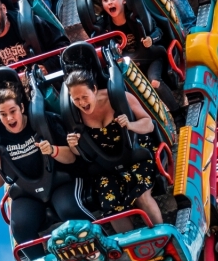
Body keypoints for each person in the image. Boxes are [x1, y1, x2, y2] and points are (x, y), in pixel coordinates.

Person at [0, 86, 91, 251]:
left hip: (60, 180)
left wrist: (52, 150)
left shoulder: (43, 121)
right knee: (20, 227)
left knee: (68, 209)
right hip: (27, 192)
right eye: (3, 114)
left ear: (21, 107)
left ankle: (98, 241)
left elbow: (72, 158)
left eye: (13, 111)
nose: (10, 118)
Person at [64, 69, 163, 230]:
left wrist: (130, 125)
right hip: (107, 166)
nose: (82, 103)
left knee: (141, 195)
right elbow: (78, 154)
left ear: (94, 89)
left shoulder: (118, 98)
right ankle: (133, 249)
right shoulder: (74, 115)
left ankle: (162, 235)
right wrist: (73, 144)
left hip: (135, 154)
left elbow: (149, 124)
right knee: (110, 207)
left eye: (84, 97)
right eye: (76, 99)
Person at [99, 0, 184, 115]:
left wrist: (151, 39)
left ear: (124, 0)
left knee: (154, 82)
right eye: (105, 0)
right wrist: (114, 52)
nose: (110, 2)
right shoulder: (106, 28)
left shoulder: (137, 17)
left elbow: (158, 31)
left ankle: (177, 113)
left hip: (151, 58)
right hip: (132, 65)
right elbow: (105, 50)